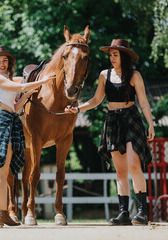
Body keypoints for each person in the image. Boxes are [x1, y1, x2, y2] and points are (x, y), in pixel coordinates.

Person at [65, 39, 155, 225]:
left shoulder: (134, 75)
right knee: (120, 171)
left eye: (115, 54)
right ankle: (124, 214)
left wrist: (151, 124)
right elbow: (97, 100)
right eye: (110, 55)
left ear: (124, 56)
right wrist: (78, 109)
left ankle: (142, 212)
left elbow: (144, 102)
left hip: (132, 120)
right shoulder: (104, 75)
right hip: (113, 121)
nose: (111, 58)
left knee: (134, 165)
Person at [0, 46, 55, 227]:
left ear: (9, 63)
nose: (2, 64)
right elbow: (20, 86)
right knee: (1, 172)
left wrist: (28, 94)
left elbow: (15, 106)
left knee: (0, 173)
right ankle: (1, 213)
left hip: (10, 119)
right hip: (0, 121)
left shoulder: (6, 79)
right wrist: (42, 81)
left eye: (5, 60)